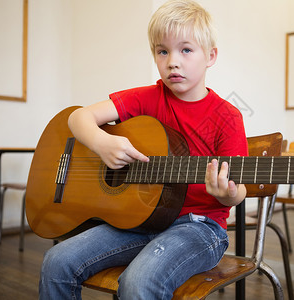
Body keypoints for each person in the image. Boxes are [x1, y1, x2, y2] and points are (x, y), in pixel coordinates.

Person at [39, 0, 248, 299]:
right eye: (163, 51)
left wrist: (226, 192)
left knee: (139, 280)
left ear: (210, 56)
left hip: (199, 227)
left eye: (186, 50)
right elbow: (77, 117)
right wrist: (102, 143)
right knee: (56, 261)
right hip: (137, 220)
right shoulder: (145, 99)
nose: (173, 61)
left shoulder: (227, 116)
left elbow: (237, 191)